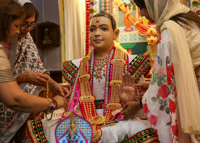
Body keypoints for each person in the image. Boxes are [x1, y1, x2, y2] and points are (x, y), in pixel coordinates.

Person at [26, 12, 159, 143]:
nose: (97, 33)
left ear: (116, 34)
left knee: (143, 130)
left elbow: (142, 108)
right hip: (83, 118)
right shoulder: (75, 66)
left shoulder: (133, 63)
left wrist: (131, 100)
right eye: (92, 29)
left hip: (120, 118)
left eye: (104, 28)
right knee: (50, 130)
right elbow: (73, 103)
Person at [131, 0, 200, 142]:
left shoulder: (170, 29)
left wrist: (140, 103)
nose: (141, 13)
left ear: (154, 4)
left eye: (142, 7)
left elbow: (162, 83)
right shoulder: (187, 17)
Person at [0, 0, 67, 143]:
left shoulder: (25, 38)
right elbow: (14, 97)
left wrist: (55, 86)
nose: (21, 30)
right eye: (19, 25)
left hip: (20, 108)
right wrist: (52, 103)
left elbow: (37, 67)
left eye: (31, 25)